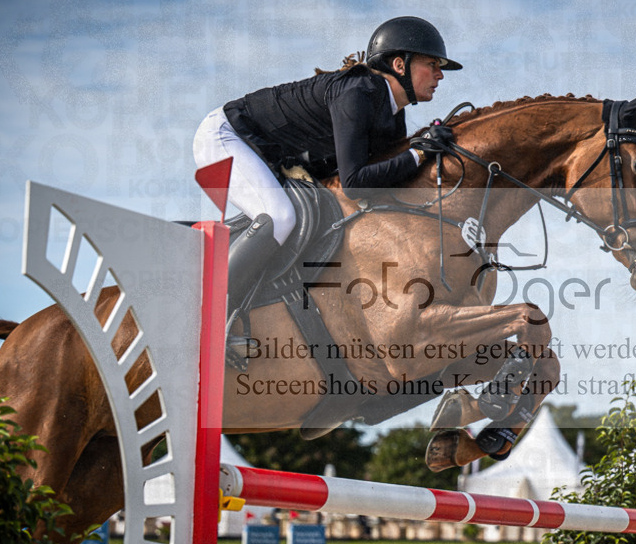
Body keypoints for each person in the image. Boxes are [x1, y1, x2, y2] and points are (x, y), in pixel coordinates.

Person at [192, 16, 462, 320]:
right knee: (280, 217)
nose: (440, 75)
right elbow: (355, 183)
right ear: (400, 65)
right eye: (433, 65)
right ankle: (209, 314)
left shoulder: (391, 115)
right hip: (226, 137)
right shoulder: (357, 92)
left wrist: (426, 154)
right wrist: (418, 153)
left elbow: (383, 181)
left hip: (270, 155)